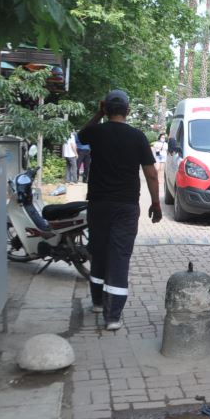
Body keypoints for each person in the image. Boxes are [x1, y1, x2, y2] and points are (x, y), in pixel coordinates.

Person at [78, 90, 162, 331]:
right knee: (119, 256)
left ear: (106, 109)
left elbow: (80, 136)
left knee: (99, 252)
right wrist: (155, 203)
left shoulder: (96, 132)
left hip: (98, 204)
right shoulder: (137, 136)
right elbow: (151, 174)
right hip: (126, 206)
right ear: (128, 110)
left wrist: (98, 113)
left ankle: (97, 302)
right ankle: (112, 316)